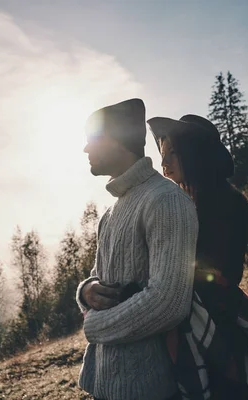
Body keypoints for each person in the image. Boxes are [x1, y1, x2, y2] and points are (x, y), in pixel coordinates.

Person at [76, 98, 198, 400]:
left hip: (148, 389)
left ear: (118, 141)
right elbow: (98, 280)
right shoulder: (111, 212)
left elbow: (168, 301)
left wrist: (95, 326)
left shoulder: (165, 200)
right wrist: (86, 291)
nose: (85, 149)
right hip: (103, 386)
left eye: (92, 139)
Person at [147, 115, 248, 399]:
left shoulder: (227, 203)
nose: (164, 163)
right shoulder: (179, 202)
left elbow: (219, 272)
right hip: (186, 320)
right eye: (162, 154)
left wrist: (188, 221)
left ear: (193, 153)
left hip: (216, 323)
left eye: (172, 153)